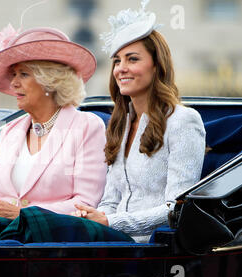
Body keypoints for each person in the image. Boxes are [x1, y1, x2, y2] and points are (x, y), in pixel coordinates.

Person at [74, 0, 206, 242]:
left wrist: (110, 222)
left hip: (153, 250)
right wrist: (95, 216)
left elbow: (176, 207)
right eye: (117, 60)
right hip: (114, 244)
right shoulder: (120, 124)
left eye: (132, 59)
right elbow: (111, 200)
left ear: (157, 66)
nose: (121, 68)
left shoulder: (184, 121)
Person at [0, 26, 107, 220]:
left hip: (52, 244)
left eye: (23, 74)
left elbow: (85, 203)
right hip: (1, 241)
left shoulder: (87, 126)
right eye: (13, 75)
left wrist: (22, 215)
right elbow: (0, 197)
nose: (14, 83)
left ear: (50, 81)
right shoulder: (10, 130)